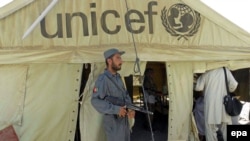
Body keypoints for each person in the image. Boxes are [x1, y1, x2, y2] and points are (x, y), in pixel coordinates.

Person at [91, 48, 135, 141]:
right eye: (118, 58)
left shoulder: (118, 77)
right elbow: (95, 101)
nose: (121, 61)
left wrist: (131, 108)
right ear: (109, 61)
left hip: (124, 122)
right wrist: (116, 109)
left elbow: (125, 95)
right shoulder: (103, 79)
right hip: (113, 123)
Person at [195, 67, 238, 141]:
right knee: (226, 127)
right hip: (224, 104)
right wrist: (227, 90)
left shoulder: (207, 72)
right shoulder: (225, 70)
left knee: (210, 130)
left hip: (211, 105)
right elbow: (234, 84)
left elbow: (198, 88)